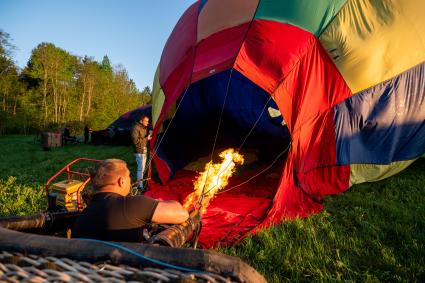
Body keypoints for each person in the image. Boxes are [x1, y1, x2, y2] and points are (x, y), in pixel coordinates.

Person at [72, 159, 189, 242]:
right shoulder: (133, 205)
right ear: (121, 181)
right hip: (128, 273)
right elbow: (182, 214)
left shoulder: (82, 217)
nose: (130, 180)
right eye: (129, 176)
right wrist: (159, 202)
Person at [131, 115, 152, 190]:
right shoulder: (135, 128)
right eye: (146, 121)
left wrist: (150, 133)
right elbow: (135, 141)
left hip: (144, 150)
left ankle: (141, 183)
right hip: (139, 151)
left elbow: (145, 137)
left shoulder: (144, 128)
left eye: (148, 121)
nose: (147, 123)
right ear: (141, 121)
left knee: (143, 168)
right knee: (141, 168)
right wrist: (147, 138)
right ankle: (140, 186)